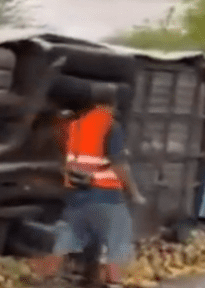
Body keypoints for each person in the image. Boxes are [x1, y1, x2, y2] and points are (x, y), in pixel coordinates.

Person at [52, 83, 146, 287]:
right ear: (113, 103)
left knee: (81, 237)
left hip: (76, 191)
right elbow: (119, 164)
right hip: (104, 192)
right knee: (116, 237)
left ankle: (78, 277)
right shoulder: (110, 125)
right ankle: (113, 282)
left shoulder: (75, 125)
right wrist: (134, 193)